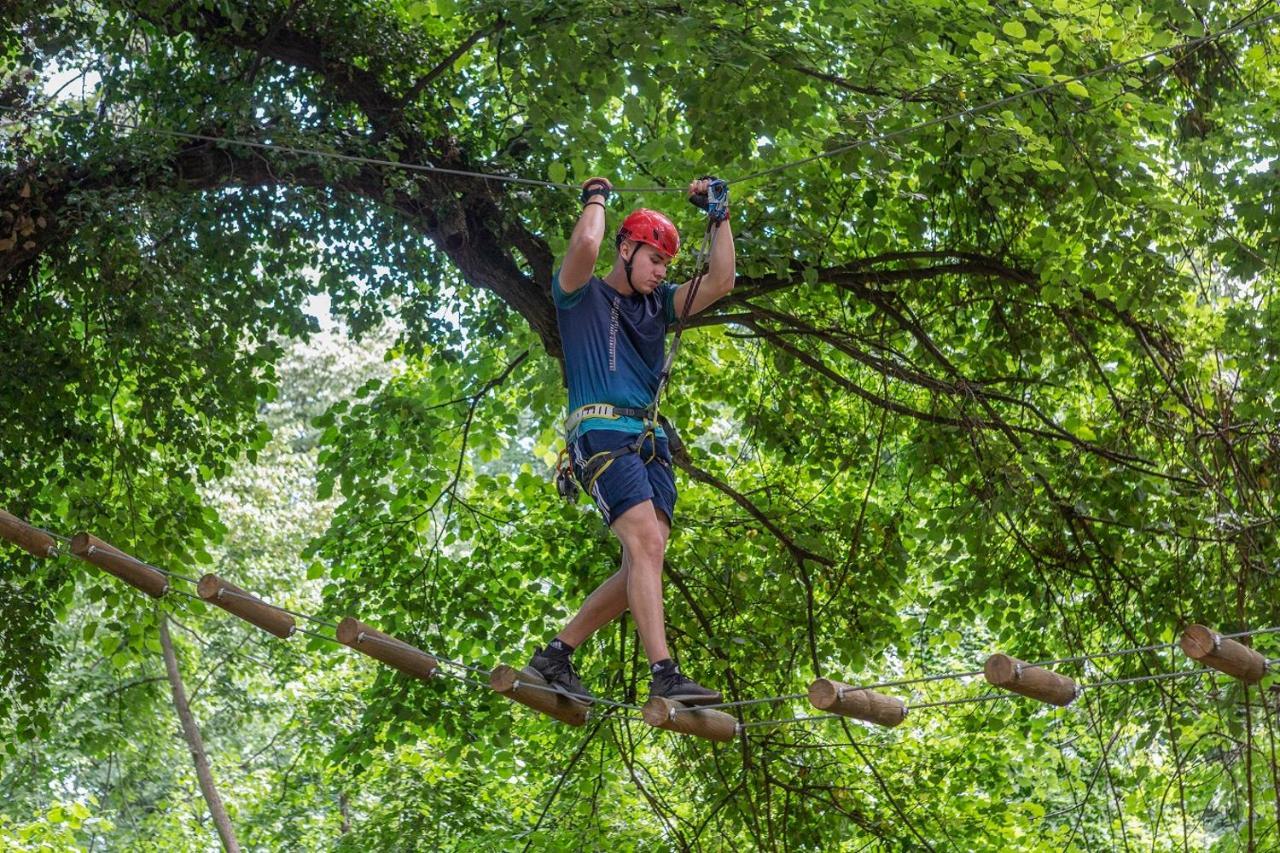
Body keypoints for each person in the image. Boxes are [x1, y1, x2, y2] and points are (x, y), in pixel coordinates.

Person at [526, 175, 736, 706]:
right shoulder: (579, 296)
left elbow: (720, 282)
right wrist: (596, 195)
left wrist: (721, 214)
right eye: (655, 260)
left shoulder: (658, 305)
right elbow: (586, 246)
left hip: (648, 441)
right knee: (645, 544)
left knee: (645, 558)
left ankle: (556, 655)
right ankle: (664, 672)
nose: (662, 272)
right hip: (598, 434)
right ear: (627, 250)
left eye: (667, 264)